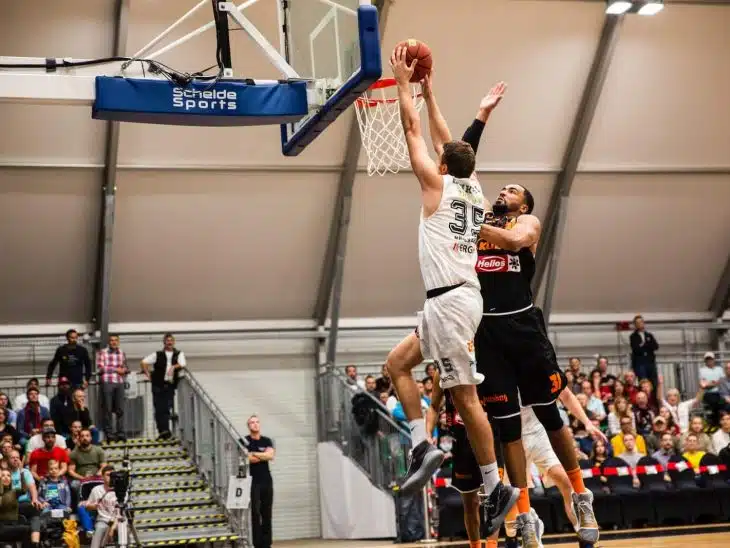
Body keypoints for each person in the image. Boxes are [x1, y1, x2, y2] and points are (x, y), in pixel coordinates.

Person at [384, 50, 518, 532]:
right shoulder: (473, 188)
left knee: (465, 398)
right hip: (452, 299)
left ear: (442, 165)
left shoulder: (436, 187)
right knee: (396, 364)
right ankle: (423, 445)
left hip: (451, 303)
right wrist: (431, 91)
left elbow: (414, 132)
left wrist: (406, 86)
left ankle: (494, 482)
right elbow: (445, 138)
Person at [461, 135, 598, 544]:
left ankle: (582, 494)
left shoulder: (526, 224)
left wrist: (470, 225)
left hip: (523, 327)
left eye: (513, 190)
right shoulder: (483, 215)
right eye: (502, 188)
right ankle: (522, 516)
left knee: (551, 417)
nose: (504, 191)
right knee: (508, 434)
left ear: (524, 205)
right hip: (486, 331)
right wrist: (480, 117)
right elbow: (463, 166)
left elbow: (514, 241)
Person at [141, 333, 186, 440]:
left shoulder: (179, 353)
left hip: (169, 384)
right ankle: (163, 431)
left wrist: (174, 367)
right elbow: (144, 362)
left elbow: (183, 363)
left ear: (173, 342)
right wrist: (147, 373)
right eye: (167, 340)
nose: (169, 342)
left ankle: (165, 431)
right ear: (164, 342)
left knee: (166, 408)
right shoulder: (158, 354)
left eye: (171, 340)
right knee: (158, 408)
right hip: (157, 384)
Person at [77, 465, 126, 548]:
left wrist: (112, 528)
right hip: (103, 520)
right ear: (102, 477)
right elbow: (88, 507)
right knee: (99, 530)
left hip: (118, 520)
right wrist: (94, 506)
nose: (110, 477)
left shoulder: (122, 490)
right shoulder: (96, 490)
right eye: (107, 475)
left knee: (124, 530)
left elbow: (122, 513)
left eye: (112, 475)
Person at [244, 415, 274, 548]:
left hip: (266, 480)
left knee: (267, 512)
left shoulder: (267, 440)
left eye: (257, 422)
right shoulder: (244, 441)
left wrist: (254, 454)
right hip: (253, 481)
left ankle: (267, 543)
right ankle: (257, 543)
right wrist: (262, 455)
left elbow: (270, 455)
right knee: (255, 513)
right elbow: (248, 458)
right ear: (248, 426)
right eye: (252, 423)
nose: (255, 424)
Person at [96, 334, 129, 442]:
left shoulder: (122, 352)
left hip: (119, 382)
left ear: (118, 342)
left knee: (120, 410)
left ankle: (120, 433)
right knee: (108, 409)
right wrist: (116, 370)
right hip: (107, 382)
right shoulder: (103, 352)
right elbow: (101, 368)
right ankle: (109, 434)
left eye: (115, 340)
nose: (113, 342)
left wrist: (124, 370)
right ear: (109, 342)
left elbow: (125, 366)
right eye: (111, 340)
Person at [629, 315, 659, 391]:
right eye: (637, 323)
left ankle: (654, 400)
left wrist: (643, 344)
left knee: (654, 382)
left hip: (650, 362)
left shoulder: (649, 335)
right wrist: (647, 344)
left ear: (643, 323)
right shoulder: (633, 336)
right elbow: (636, 349)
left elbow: (655, 346)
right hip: (640, 363)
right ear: (635, 325)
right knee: (643, 382)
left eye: (641, 322)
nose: (640, 324)